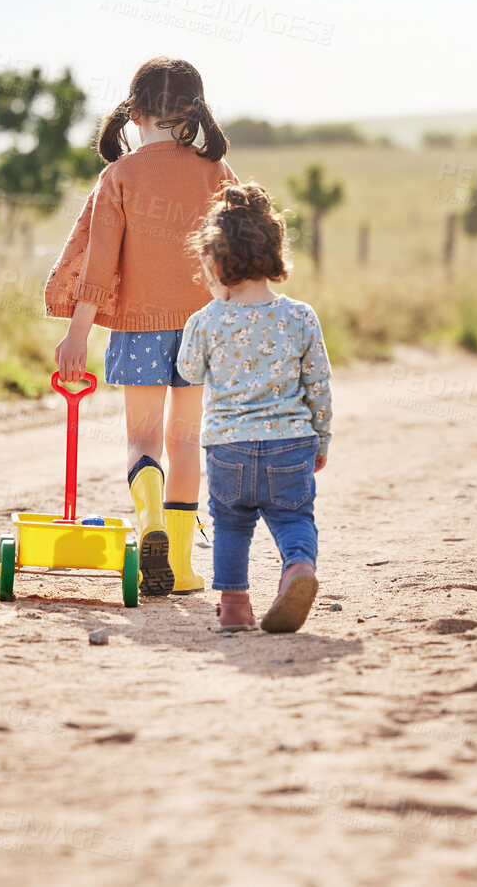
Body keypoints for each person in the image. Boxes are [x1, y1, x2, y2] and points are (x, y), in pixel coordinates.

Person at [45, 56, 234, 597]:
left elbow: (98, 264)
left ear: (133, 114)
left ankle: (148, 522)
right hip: (202, 329)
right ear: (193, 113)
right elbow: (233, 252)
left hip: (137, 328)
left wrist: (78, 332)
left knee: (142, 439)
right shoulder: (217, 173)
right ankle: (179, 567)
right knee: (185, 442)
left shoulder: (119, 176)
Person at [176, 183, 332, 633]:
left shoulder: (206, 319)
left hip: (228, 448)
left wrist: (204, 317)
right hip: (291, 444)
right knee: (293, 516)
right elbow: (318, 383)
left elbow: (189, 372)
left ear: (218, 263)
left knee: (229, 523)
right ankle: (298, 568)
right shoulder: (301, 316)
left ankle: (234, 608)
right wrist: (320, 440)